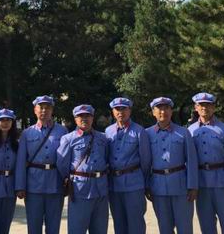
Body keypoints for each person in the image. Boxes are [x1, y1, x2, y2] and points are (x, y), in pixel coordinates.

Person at [187, 92, 224, 234]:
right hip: (201, 184)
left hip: (222, 183)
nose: (204, 108)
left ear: (214, 107)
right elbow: (189, 161)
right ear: (196, 107)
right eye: (201, 105)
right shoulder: (190, 131)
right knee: (206, 226)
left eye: (208, 105)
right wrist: (192, 185)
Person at [145, 97, 198, 234]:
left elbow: (191, 160)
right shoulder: (147, 134)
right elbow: (145, 162)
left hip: (180, 186)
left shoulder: (183, 132)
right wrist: (147, 185)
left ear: (171, 111)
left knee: (185, 227)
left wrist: (193, 186)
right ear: (153, 112)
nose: (163, 111)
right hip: (158, 187)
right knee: (165, 227)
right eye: (159, 108)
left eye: (166, 108)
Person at [15, 96, 68, 234]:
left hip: (55, 184)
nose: (44, 110)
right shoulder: (27, 133)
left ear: (52, 110)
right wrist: (20, 186)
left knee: (53, 226)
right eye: (41, 107)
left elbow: (66, 159)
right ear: (35, 110)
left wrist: (67, 181)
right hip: (33, 185)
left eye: (48, 107)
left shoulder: (62, 131)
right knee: (34, 225)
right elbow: (21, 161)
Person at [57, 104, 109, 234]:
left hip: (101, 189)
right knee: (77, 229)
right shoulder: (68, 139)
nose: (84, 119)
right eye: (80, 116)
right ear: (75, 119)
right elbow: (62, 164)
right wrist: (74, 177)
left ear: (92, 118)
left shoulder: (103, 138)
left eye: (87, 116)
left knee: (100, 229)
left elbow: (107, 158)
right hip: (80, 189)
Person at [105, 97, 151, 234]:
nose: (121, 112)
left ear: (129, 111)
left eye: (124, 109)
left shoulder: (139, 131)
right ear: (113, 112)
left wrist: (144, 182)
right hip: (114, 184)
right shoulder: (108, 131)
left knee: (135, 223)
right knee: (119, 223)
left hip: (133, 184)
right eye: (117, 109)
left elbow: (146, 161)